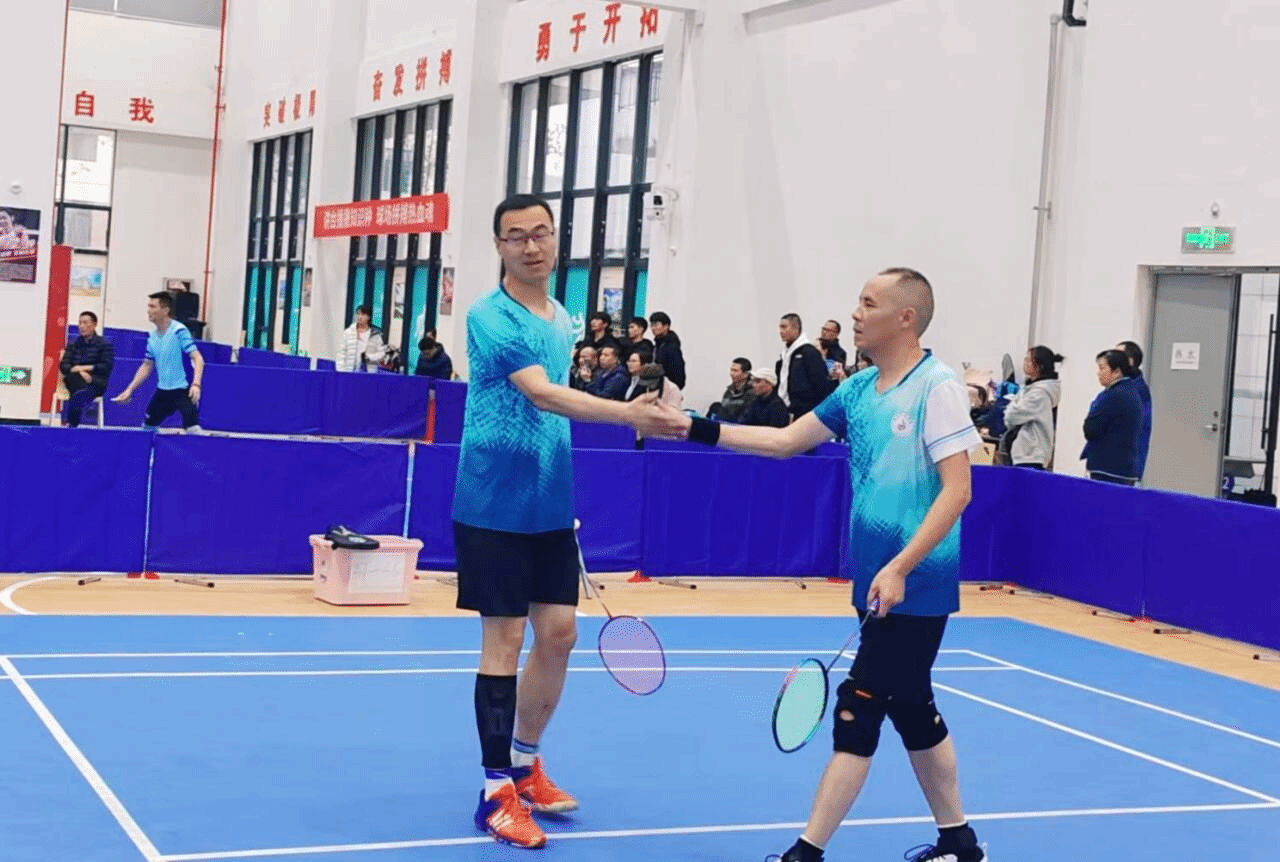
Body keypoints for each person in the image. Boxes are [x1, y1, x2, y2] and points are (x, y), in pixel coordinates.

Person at [658, 268, 987, 862]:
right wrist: (692, 428)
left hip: (917, 583)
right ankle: (960, 843)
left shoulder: (935, 387)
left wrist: (901, 567)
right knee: (913, 709)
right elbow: (785, 442)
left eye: (869, 303)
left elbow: (958, 489)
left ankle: (805, 853)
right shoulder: (858, 390)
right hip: (878, 580)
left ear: (906, 317)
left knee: (857, 710)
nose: (855, 313)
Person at [454, 194, 687, 850]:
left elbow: (556, 405)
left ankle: (525, 765)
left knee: (558, 636)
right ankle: (495, 792)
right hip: (493, 502)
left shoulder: (561, 317)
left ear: (557, 239)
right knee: (503, 643)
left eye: (542, 233)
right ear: (498, 246)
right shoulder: (488, 315)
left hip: (549, 503)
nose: (531, 246)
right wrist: (629, 415)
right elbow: (542, 393)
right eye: (516, 236)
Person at [111, 292, 204, 431]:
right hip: (163, 392)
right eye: (148, 306)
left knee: (193, 430)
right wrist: (129, 390)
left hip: (184, 390)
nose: (148, 310)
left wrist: (196, 384)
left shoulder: (179, 331)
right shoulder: (152, 337)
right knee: (148, 428)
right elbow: (147, 365)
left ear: (166, 310)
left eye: (153, 306)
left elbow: (197, 358)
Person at [1081, 349, 1142, 485]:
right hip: (1123, 467)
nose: (1098, 373)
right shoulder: (1130, 391)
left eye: (1102, 368)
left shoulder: (1114, 395)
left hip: (1109, 468)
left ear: (1117, 371)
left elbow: (1091, 429)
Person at [1000, 346, 1063, 469]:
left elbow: (1011, 416)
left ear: (1040, 366)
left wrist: (1013, 404)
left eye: (1028, 360)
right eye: (1025, 359)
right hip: (1025, 453)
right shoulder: (1030, 389)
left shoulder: (1039, 394)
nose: (1025, 363)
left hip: (1031, 454)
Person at [60, 311, 114, 427]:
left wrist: (83, 367)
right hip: (75, 380)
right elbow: (64, 365)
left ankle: (71, 424)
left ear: (94, 324)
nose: (82, 326)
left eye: (85, 323)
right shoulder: (73, 344)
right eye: (80, 323)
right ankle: (72, 422)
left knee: (78, 395)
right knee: (76, 387)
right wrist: (81, 372)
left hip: (94, 382)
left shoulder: (104, 344)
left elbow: (106, 366)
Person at [776, 313, 834, 420]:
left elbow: (821, 383)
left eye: (784, 327)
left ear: (795, 328)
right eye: (780, 327)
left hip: (807, 410)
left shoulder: (809, 352)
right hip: (787, 409)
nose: (780, 331)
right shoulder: (785, 354)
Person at [1116, 340, 1152, 481]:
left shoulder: (1135, 390)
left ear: (1130, 361)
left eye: (1117, 355)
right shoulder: (1124, 385)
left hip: (1125, 462)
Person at [336, 305, 386, 372]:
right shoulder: (348, 333)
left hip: (369, 373)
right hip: (350, 372)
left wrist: (369, 357)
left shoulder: (375, 335)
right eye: (358, 314)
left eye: (363, 314)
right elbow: (341, 353)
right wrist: (341, 371)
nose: (360, 317)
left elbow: (382, 354)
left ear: (368, 317)